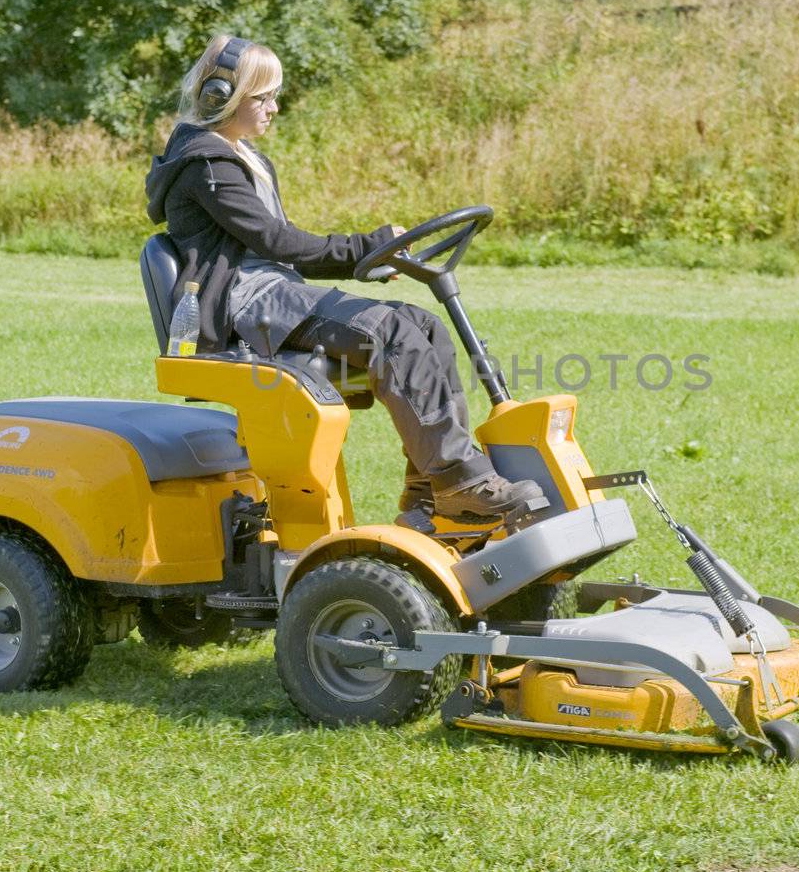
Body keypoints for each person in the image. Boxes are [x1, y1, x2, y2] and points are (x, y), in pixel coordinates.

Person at [144, 34, 544, 528]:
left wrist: (373, 255)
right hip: (245, 306)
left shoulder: (240, 156)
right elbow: (279, 243)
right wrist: (363, 246)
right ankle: (462, 480)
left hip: (277, 292)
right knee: (390, 333)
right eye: (263, 96)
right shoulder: (207, 166)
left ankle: (430, 494)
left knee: (424, 326)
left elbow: (286, 254)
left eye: (275, 95)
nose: (274, 107)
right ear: (220, 97)